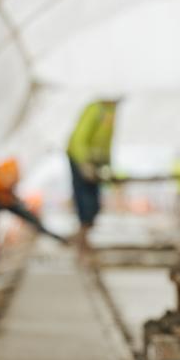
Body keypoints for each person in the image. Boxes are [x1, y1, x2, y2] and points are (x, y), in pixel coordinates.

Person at [0, 157, 65, 263]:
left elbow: (10, 187)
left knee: (32, 219)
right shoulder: (4, 170)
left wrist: (17, 200)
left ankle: (56, 237)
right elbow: (4, 183)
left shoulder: (12, 170)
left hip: (7, 199)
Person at [67, 99, 118, 252]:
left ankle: (84, 235)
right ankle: (82, 238)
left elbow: (106, 143)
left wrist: (108, 167)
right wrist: (83, 163)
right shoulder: (95, 109)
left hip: (94, 162)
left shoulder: (110, 112)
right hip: (79, 158)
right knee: (85, 199)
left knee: (94, 203)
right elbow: (79, 138)